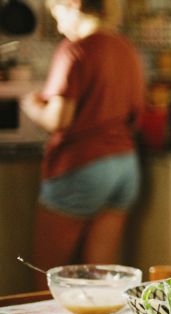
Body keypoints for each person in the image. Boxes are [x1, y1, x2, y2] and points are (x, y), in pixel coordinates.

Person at [20, 0, 145, 290]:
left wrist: (32, 105)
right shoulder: (126, 48)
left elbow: (58, 119)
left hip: (81, 165)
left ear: (72, 6)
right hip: (125, 165)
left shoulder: (75, 49)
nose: (59, 25)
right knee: (101, 276)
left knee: (47, 275)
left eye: (57, 14)